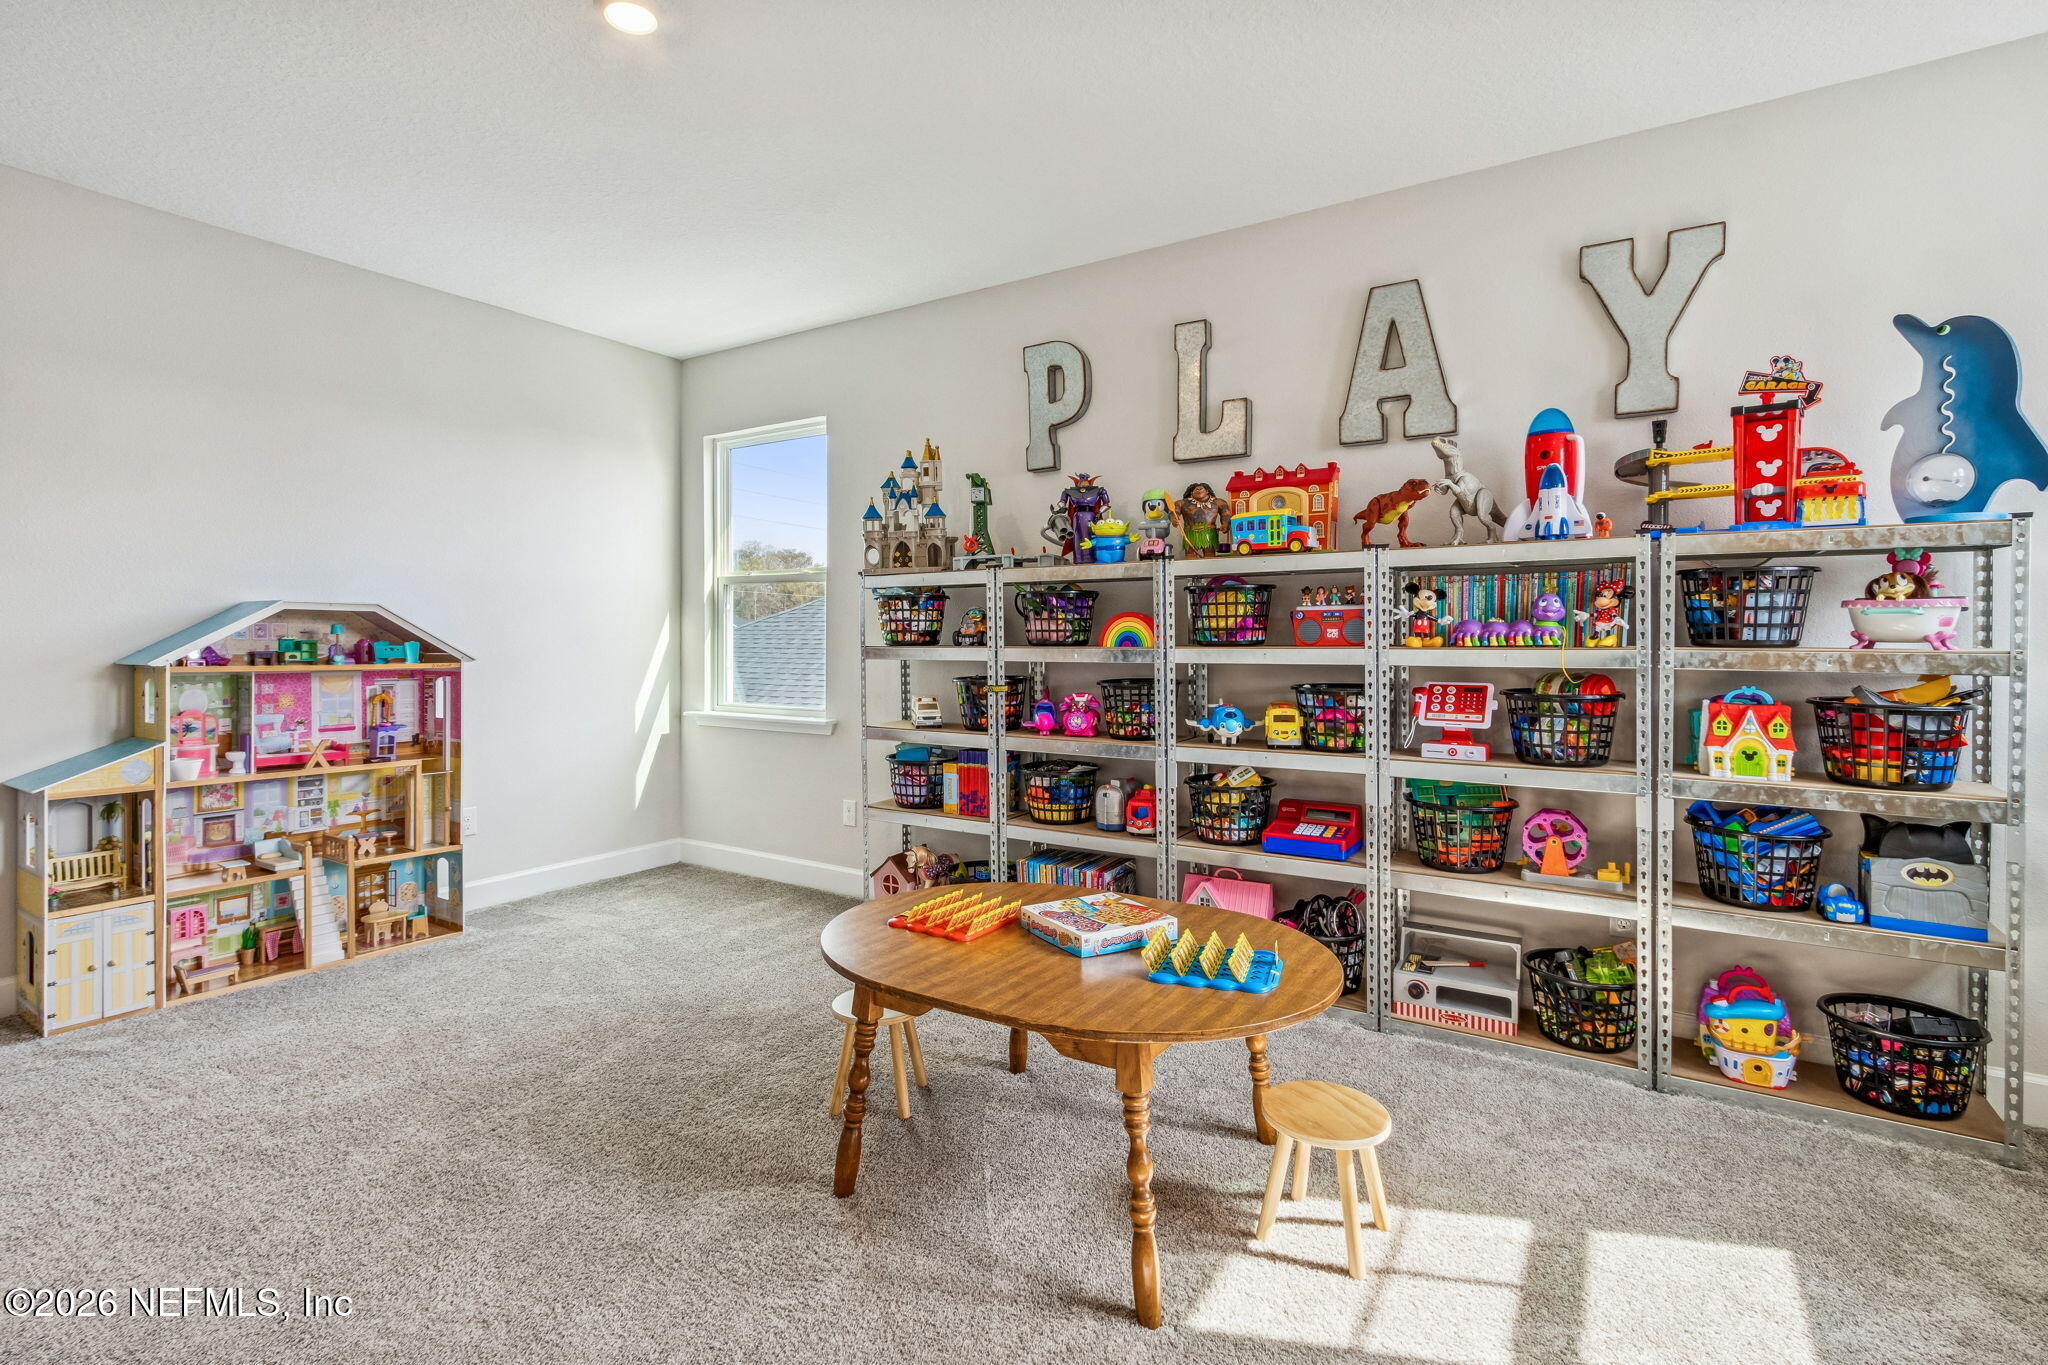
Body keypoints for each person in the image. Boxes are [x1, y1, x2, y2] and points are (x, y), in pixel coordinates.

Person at [1175, 481, 1225, 557]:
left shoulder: (1218, 502)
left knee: (1209, 554)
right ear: (1191, 492)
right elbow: (1174, 512)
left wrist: (1225, 524)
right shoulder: (1181, 503)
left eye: (1201, 489)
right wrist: (1174, 519)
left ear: (1207, 491)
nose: (1198, 490)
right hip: (1190, 534)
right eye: (1196, 489)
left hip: (1209, 534)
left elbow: (1226, 514)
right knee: (1190, 555)